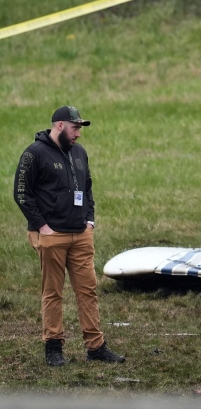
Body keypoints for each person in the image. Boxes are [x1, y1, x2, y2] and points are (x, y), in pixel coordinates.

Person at [14, 106, 125, 367]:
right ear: (60, 125)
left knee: (88, 291)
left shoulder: (79, 153)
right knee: (52, 293)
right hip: (52, 235)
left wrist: (90, 220)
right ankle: (53, 347)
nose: (79, 134)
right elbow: (21, 193)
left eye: (80, 128)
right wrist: (42, 226)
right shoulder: (34, 154)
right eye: (75, 128)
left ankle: (96, 346)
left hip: (81, 234)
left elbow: (87, 189)